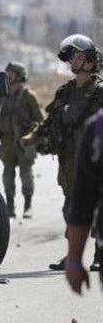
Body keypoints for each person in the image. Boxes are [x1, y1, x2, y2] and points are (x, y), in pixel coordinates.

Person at [22, 34, 103, 271]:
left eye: (79, 57)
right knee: (70, 209)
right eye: (72, 57)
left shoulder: (99, 92)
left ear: (90, 61)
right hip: (69, 161)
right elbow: (50, 121)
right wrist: (33, 136)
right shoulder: (65, 92)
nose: (73, 61)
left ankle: (100, 254)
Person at [0, 61, 44, 219]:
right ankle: (10, 206)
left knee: (26, 173)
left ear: (20, 76)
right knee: (7, 175)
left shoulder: (28, 96)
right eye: (7, 75)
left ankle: (28, 205)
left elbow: (41, 120)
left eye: (11, 74)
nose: (8, 77)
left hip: (24, 140)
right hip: (7, 142)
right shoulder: (2, 96)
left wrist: (32, 135)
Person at [65, 108, 103, 295]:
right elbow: (83, 200)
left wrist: (74, 259)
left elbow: (83, 201)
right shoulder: (97, 130)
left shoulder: (97, 128)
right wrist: (73, 260)